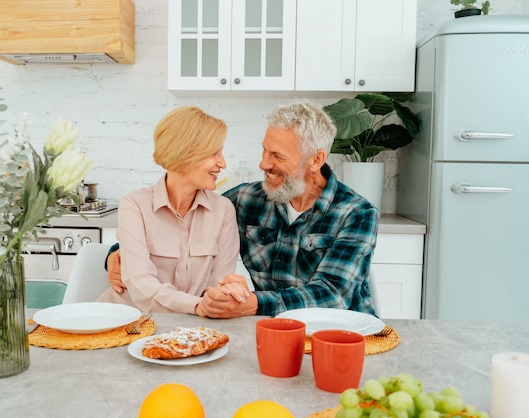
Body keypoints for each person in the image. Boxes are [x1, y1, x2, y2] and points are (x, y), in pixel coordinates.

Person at [106, 100, 379, 319]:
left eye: (277, 156)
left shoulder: (357, 213)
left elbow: (332, 295)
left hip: (341, 332)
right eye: (264, 151)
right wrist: (117, 254)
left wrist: (253, 303)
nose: (263, 164)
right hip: (269, 330)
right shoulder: (246, 199)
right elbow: (182, 221)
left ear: (315, 160)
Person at [96, 106, 241, 314]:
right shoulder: (134, 205)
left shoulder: (223, 210)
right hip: (125, 322)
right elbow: (141, 285)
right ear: (184, 154)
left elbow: (218, 287)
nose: (223, 163)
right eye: (214, 153)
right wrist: (197, 306)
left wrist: (218, 300)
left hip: (189, 329)